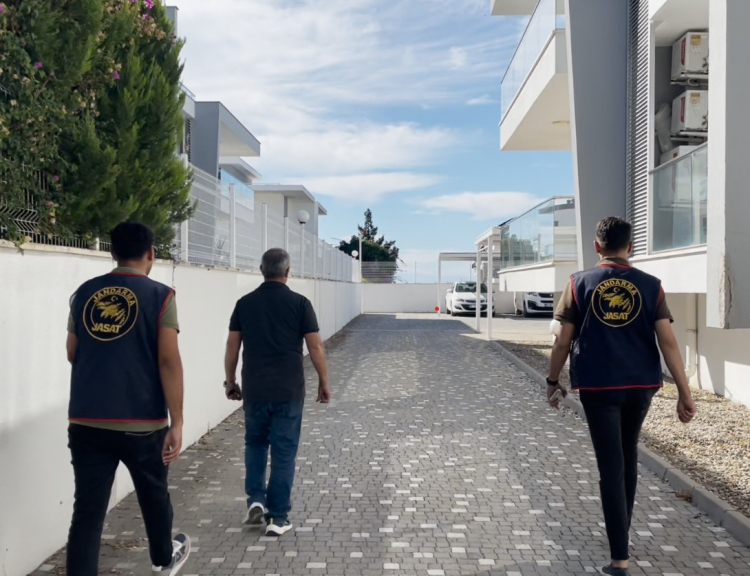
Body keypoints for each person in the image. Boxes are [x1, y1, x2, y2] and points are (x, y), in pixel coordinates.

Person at [546, 217, 696, 576]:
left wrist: (552, 380)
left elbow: (563, 340)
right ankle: (621, 535)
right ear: (630, 247)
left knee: (611, 466)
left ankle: (619, 560)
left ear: (597, 246)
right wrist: (684, 392)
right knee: (627, 456)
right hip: (641, 385)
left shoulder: (578, 283)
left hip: (599, 386)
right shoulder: (651, 286)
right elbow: (668, 342)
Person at [66, 222, 190, 576]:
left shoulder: (85, 292)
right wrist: (177, 421)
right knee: (154, 495)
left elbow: (73, 352)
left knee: (88, 512)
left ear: (113, 252)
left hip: (87, 419)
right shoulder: (161, 296)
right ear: (151, 253)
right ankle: (163, 559)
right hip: (143, 422)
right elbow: (168, 360)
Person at [224, 248, 331, 536]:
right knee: (284, 452)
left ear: (262, 270)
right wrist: (324, 381)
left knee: (255, 444)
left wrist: (230, 381)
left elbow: (232, 345)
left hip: (255, 388)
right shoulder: (300, 303)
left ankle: (256, 499)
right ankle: (278, 518)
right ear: (288, 272)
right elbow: (315, 346)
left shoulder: (244, 303)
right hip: (289, 390)